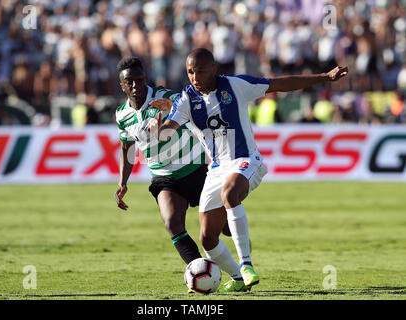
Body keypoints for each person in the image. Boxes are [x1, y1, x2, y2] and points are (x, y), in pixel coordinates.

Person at [148, 48, 348, 292]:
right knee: (207, 238)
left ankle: (246, 265)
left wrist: (324, 77)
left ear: (214, 69)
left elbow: (280, 84)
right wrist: (158, 130)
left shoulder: (235, 85)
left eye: (200, 71)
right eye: (190, 72)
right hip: (216, 169)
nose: (195, 77)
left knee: (230, 195)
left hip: (246, 160)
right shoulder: (187, 99)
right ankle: (238, 279)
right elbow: (169, 129)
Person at [114, 57, 232, 280]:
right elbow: (127, 147)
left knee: (224, 228)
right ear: (122, 85)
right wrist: (123, 183)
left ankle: (242, 263)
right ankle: (202, 274)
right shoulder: (122, 115)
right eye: (129, 82)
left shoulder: (165, 97)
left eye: (139, 80)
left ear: (145, 79)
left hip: (196, 168)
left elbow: (198, 105)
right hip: (164, 176)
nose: (135, 86)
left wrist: (173, 107)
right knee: (172, 222)